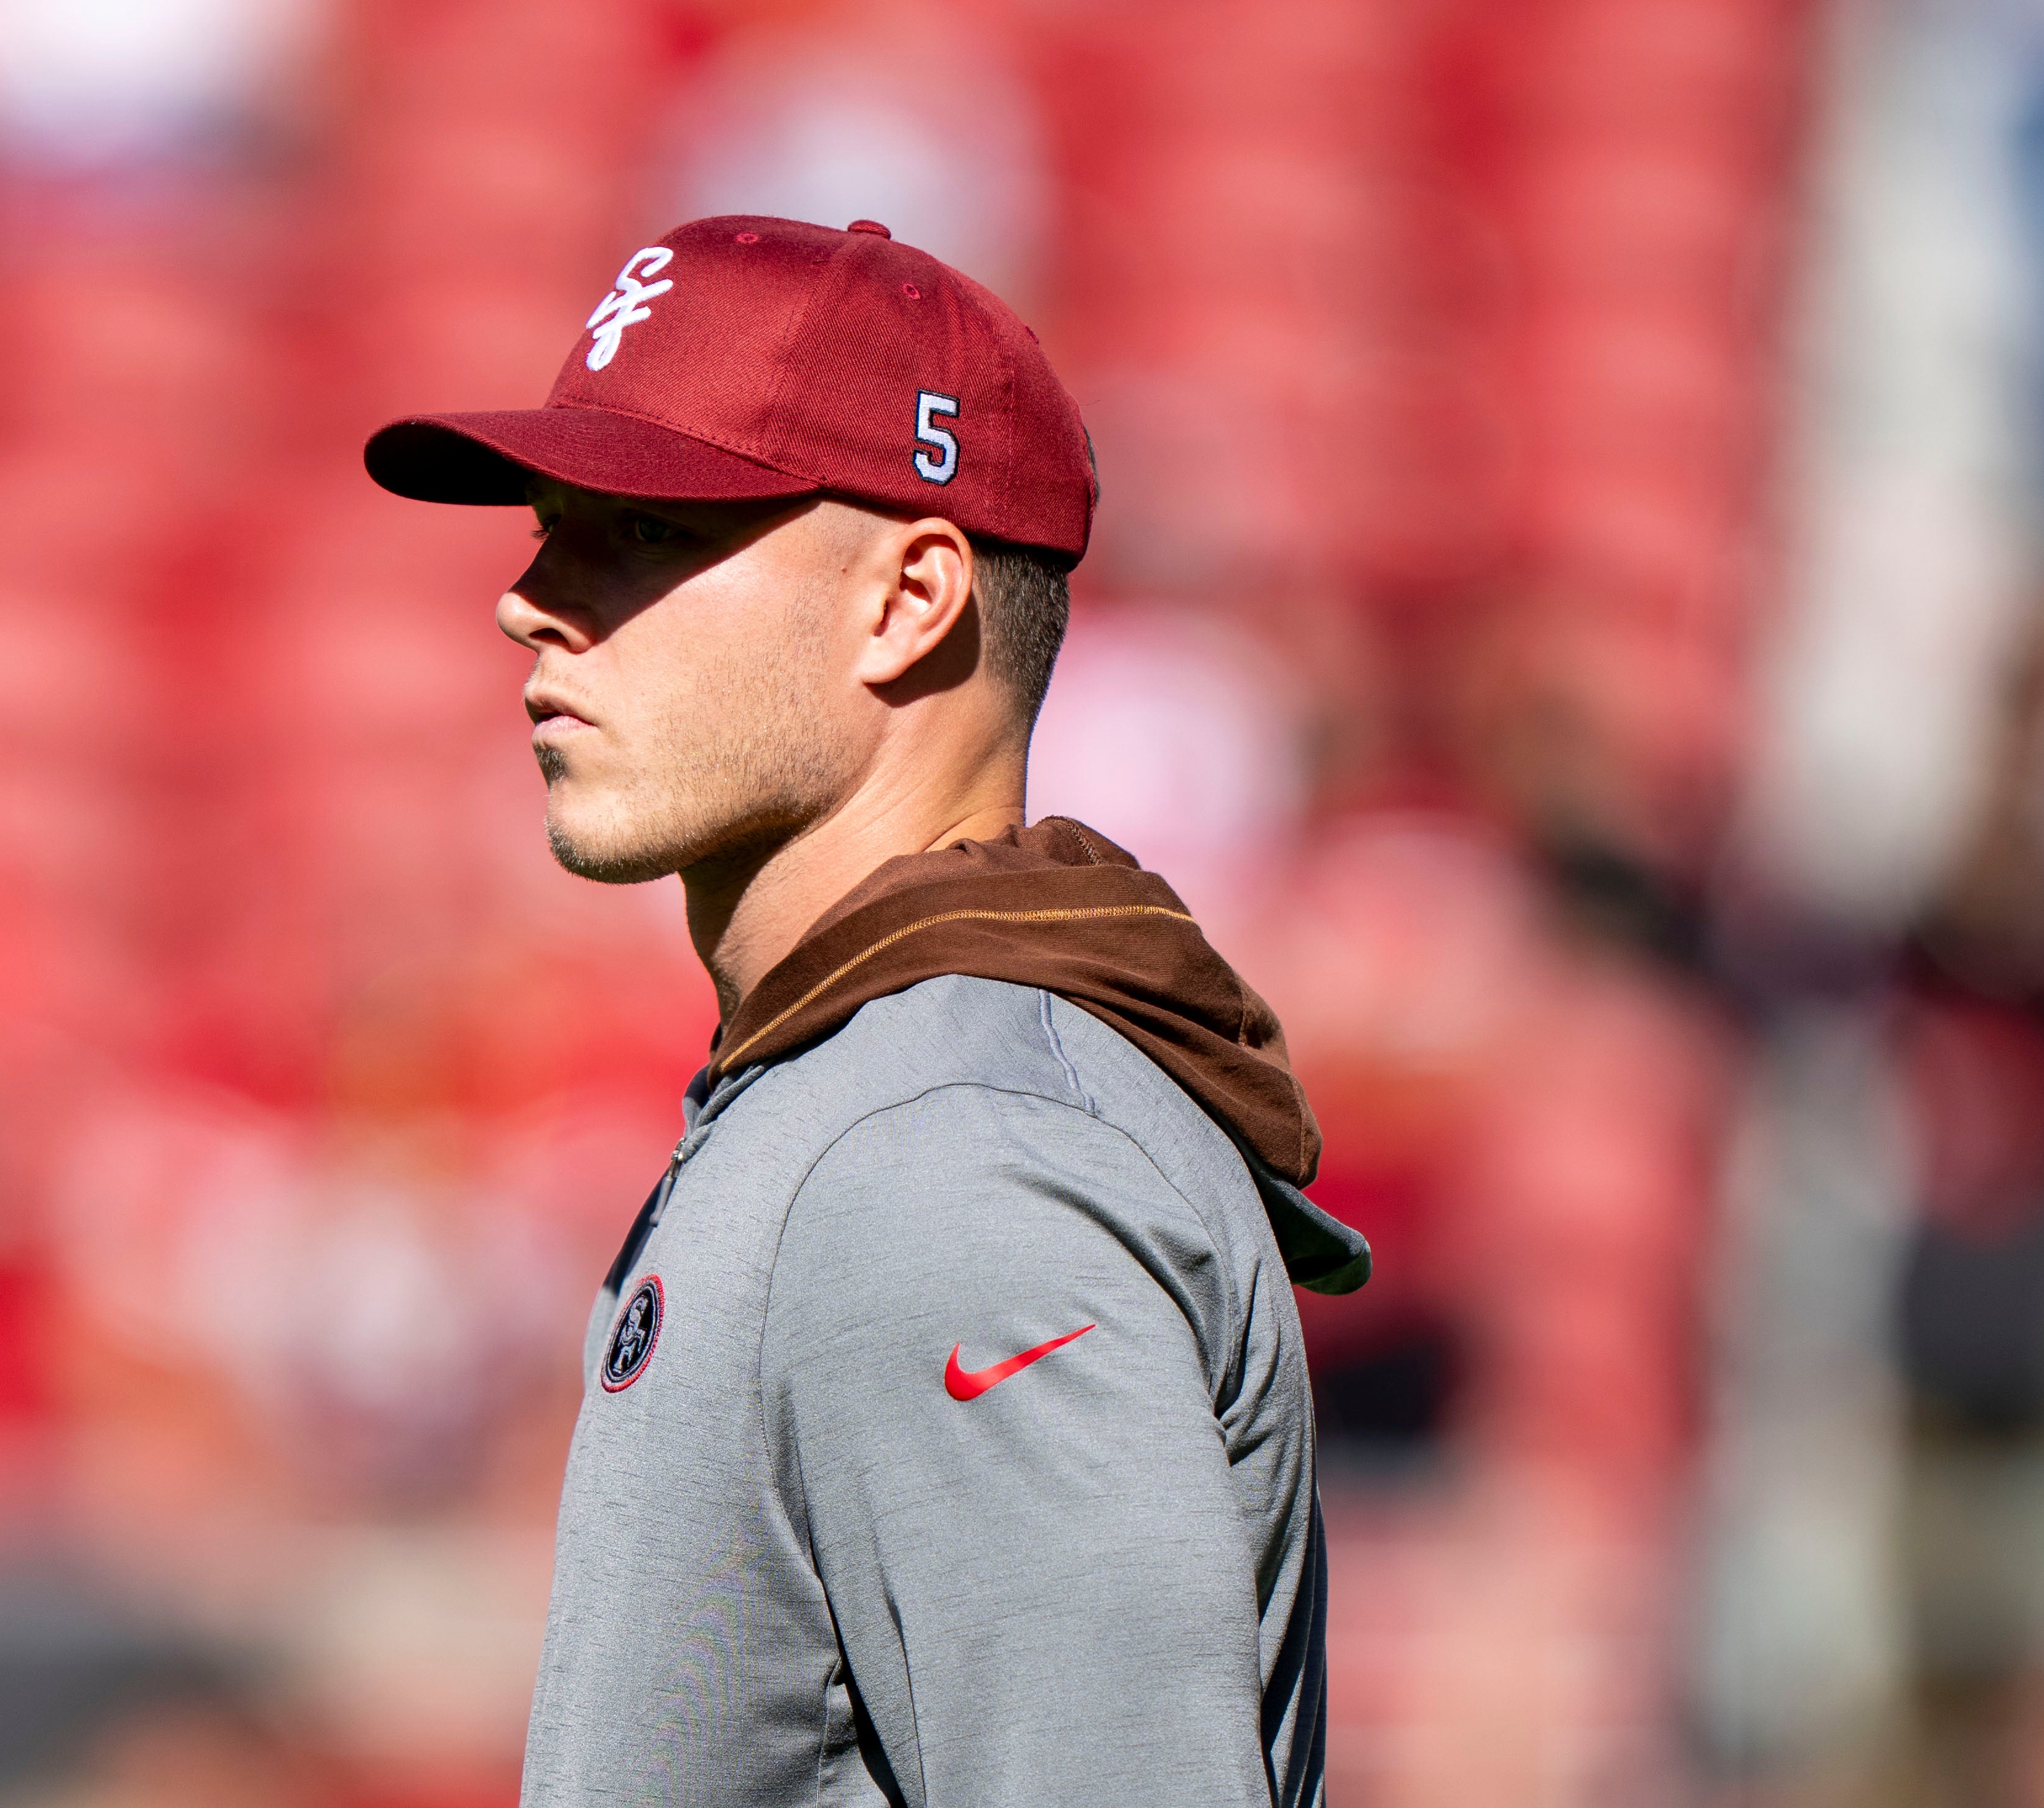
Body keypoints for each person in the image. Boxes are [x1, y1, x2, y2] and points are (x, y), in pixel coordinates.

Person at [363, 215, 1368, 1808]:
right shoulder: (873, 1095)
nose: (525, 601)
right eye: (550, 522)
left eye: (636, 529)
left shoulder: (955, 1163)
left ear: (907, 600)